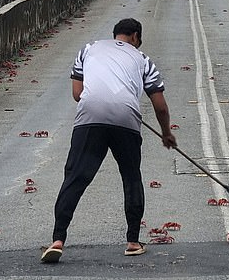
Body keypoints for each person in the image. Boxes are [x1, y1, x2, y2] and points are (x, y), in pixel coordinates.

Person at [40, 18, 176, 263]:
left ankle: (58, 239)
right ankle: (133, 241)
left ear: (115, 35)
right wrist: (166, 133)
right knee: (131, 176)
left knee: (75, 177)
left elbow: (77, 94)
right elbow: (160, 107)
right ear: (135, 36)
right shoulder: (142, 59)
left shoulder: (88, 49)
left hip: (90, 116)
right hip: (126, 118)